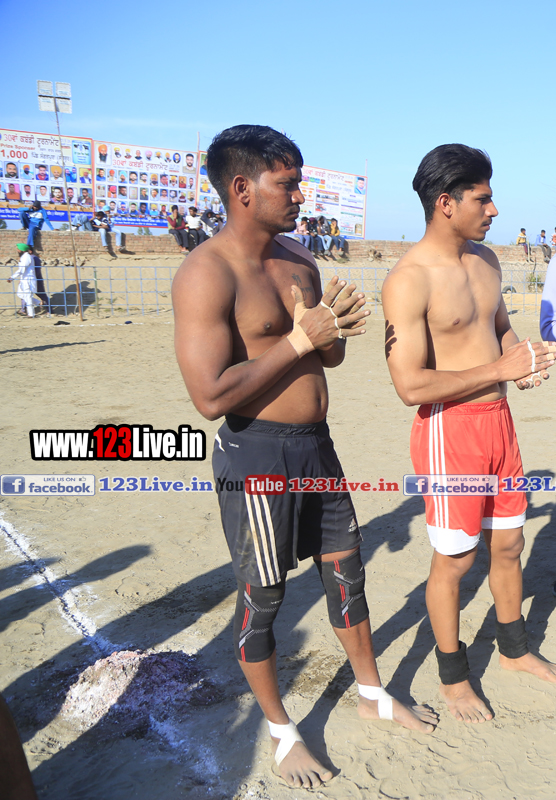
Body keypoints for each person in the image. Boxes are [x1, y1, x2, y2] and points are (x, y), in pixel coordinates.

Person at [172, 125, 436, 789]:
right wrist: (297, 340)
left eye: (299, 182)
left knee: (347, 575)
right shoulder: (205, 273)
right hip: (255, 454)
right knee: (264, 596)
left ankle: (372, 694)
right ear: (242, 188)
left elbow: (327, 355)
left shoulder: (298, 260)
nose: (300, 196)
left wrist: (333, 330)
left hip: (317, 447)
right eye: (286, 184)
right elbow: (209, 396)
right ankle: (282, 731)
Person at [381, 144, 556, 723]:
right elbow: (410, 385)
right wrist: (498, 370)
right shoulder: (408, 280)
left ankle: (513, 650)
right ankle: (454, 677)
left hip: (499, 424)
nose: (494, 209)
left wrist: (522, 360)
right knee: (456, 561)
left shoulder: (486, 260)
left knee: (508, 545)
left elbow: (500, 327)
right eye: (482, 199)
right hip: (450, 432)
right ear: (446, 203)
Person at [9, 244, 40, 317]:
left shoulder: (26, 257)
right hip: (24, 279)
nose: (17, 250)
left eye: (18, 249)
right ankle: (38, 302)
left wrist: (12, 277)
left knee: (28, 296)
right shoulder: (23, 257)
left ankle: (31, 314)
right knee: (20, 294)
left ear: (22, 250)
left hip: (28, 279)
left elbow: (22, 269)